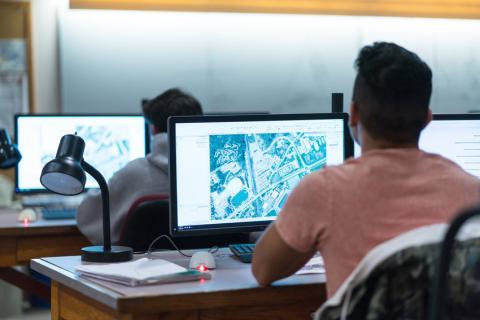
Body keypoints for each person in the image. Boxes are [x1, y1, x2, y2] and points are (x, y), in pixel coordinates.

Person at [252, 42, 480, 298]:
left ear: (353, 115)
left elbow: (262, 271)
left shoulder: (323, 191)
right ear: (428, 119)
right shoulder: (472, 193)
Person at [77, 88, 203, 244]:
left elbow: (88, 217)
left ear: (153, 129)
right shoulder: (213, 170)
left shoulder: (132, 173)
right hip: (205, 262)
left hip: (139, 266)